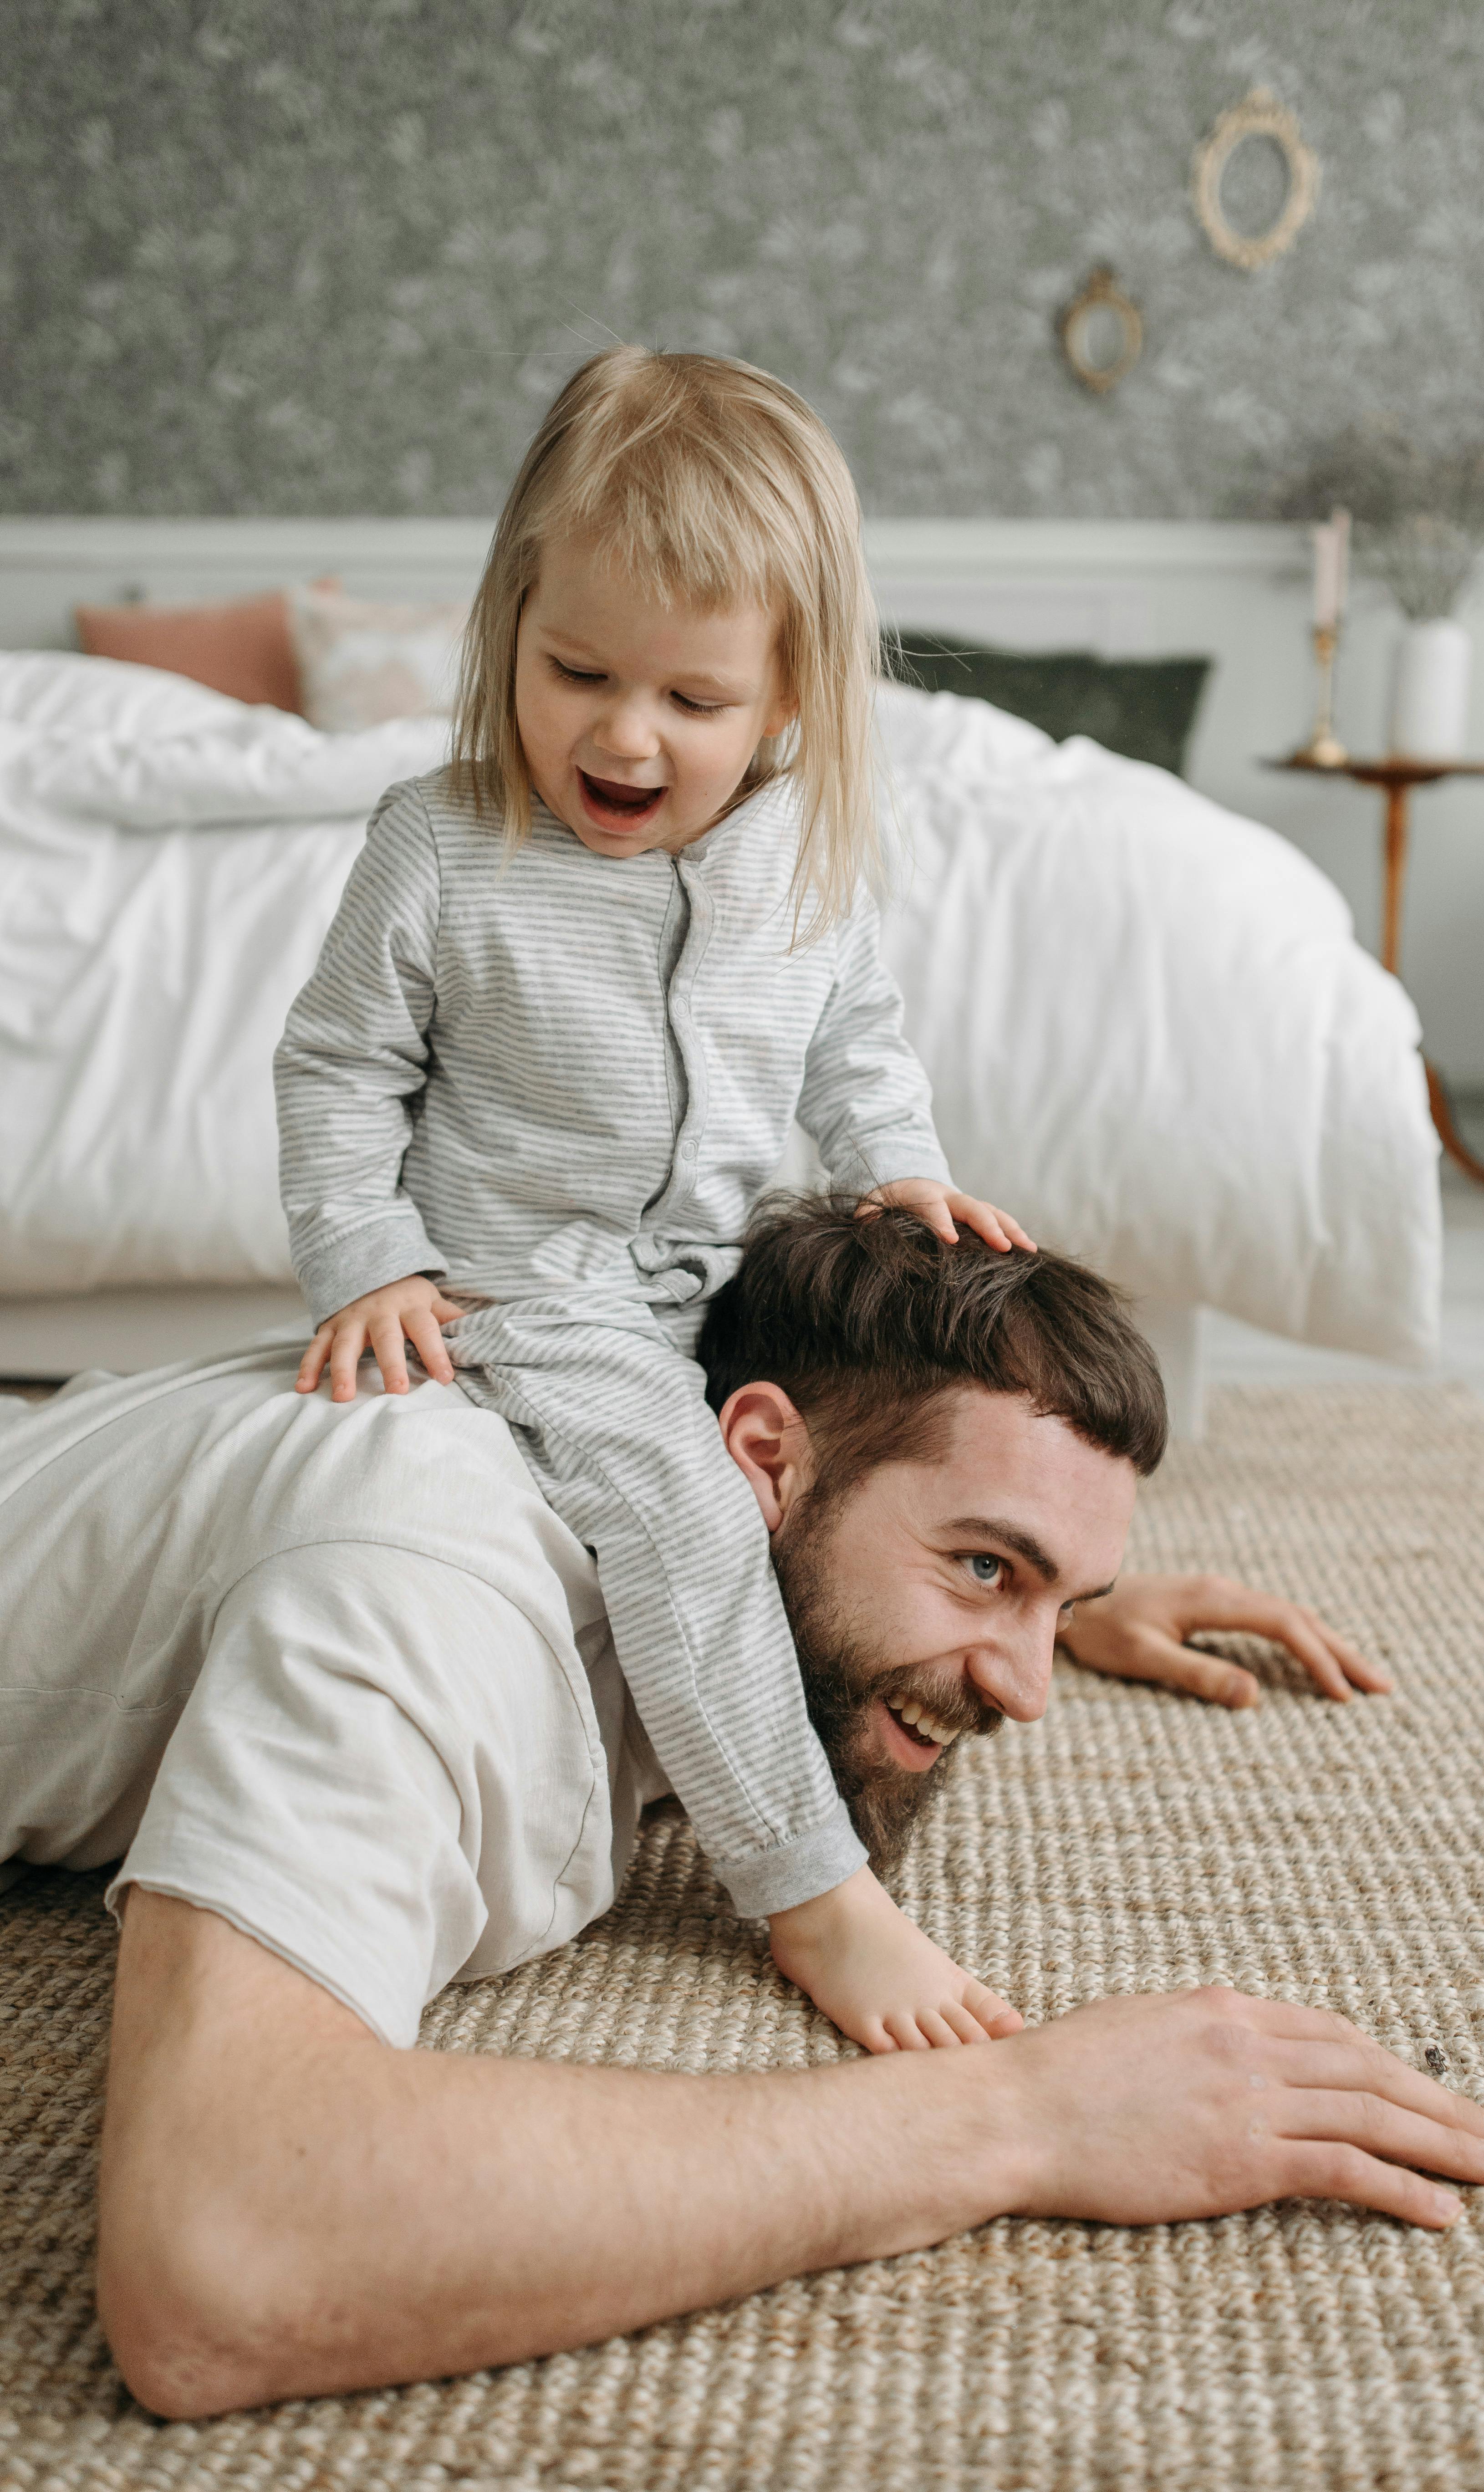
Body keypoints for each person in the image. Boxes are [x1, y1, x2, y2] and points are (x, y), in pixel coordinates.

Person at [0, 1201, 1484, 2422]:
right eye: (986, 1564)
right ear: (763, 1458)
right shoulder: (429, 1588)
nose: (1033, 1694)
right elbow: (219, 2249)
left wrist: (1015, 1594)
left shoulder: (646, 1388)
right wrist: (1022, 2117)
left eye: (1058, 1591)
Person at [274, 345, 1039, 2057]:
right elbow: (337, 1071)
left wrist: (897, 1166)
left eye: (692, 702)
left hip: (728, 1277)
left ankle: (768, 1721)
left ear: (785, 702)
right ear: (510, 630)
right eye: (576, 672)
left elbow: (854, 1035)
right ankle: (811, 1891)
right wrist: (371, 1258)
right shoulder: (440, 846)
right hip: (524, 1290)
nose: (623, 733)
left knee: (889, 1452)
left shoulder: (806, 849)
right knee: (692, 1509)